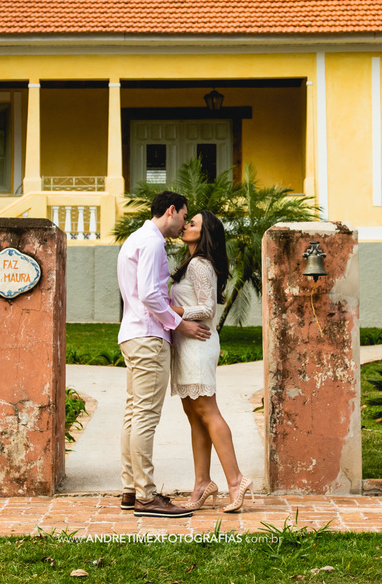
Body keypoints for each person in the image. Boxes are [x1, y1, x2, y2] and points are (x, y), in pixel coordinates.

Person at [117, 190, 212, 518]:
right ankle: (146, 495)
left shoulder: (134, 239)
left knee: (133, 413)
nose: (184, 224)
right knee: (145, 416)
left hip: (131, 334)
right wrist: (181, 324)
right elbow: (150, 295)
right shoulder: (154, 241)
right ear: (171, 210)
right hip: (148, 336)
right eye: (184, 217)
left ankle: (131, 489)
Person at [169, 210, 253, 513]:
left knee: (207, 409)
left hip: (198, 343)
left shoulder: (200, 265)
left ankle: (236, 481)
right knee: (194, 412)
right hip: (187, 343)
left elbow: (206, 309)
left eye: (193, 224)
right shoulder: (192, 264)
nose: (186, 225)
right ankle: (203, 483)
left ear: (204, 234)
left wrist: (172, 310)